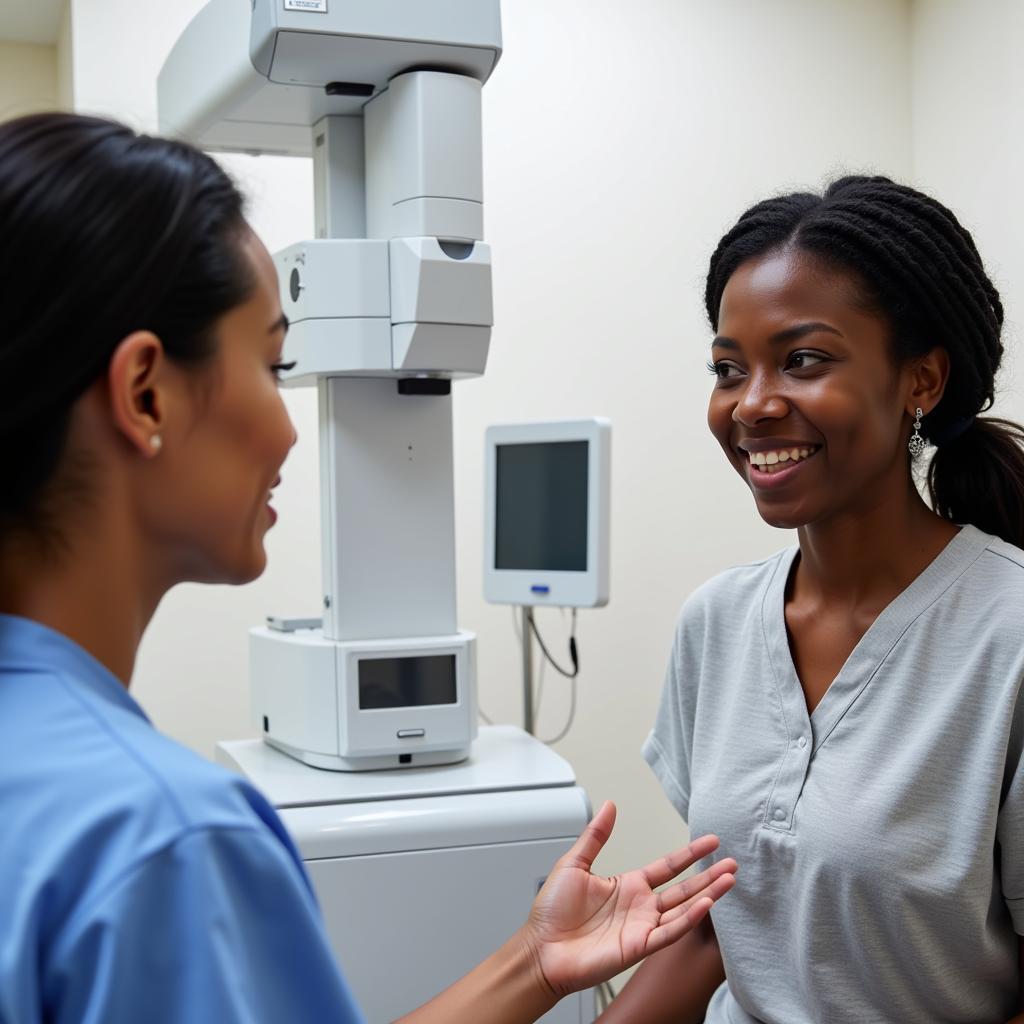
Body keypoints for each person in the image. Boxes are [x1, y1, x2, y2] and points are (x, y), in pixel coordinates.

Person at [0, 112, 738, 1024]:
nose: (288, 425)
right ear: (145, 392)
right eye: (274, 365)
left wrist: (532, 964)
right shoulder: (165, 842)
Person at [598, 177, 1024, 1023]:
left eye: (803, 359)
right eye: (728, 368)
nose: (751, 404)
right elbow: (733, 921)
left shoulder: (1007, 638)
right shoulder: (715, 623)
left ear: (923, 382)